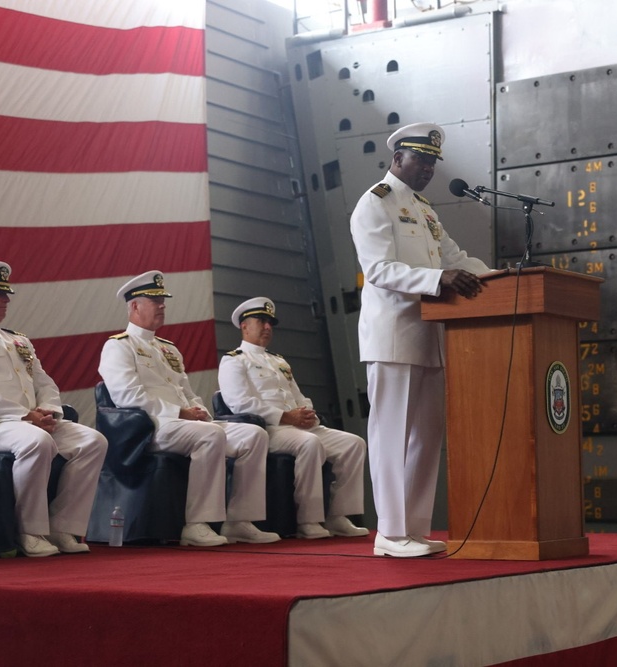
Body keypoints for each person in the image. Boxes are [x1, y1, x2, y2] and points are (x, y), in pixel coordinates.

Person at [349, 122, 491, 557]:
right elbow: (378, 271)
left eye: (432, 162)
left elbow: (457, 258)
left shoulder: (425, 210)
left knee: (426, 436)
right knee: (391, 433)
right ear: (398, 159)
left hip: (430, 334)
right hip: (393, 333)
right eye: (420, 160)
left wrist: (503, 279)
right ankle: (389, 533)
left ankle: (413, 527)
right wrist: (440, 278)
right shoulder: (375, 204)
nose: (427, 168)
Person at [0, 261, 107, 557]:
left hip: (34, 419)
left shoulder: (19, 340)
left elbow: (45, 382)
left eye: (6, 294)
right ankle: (30, 530)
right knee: (37, 442)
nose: (7, 300)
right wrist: (24, 415)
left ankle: (63, 527)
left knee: (93, 441)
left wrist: (49, 411)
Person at [98, 271, 280, 547]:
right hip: (149, 427)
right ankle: (197, 523)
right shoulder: (118, 346)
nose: (162, 306)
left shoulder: (168, 349)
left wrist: (199, 410)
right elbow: (127, 396)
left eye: (163, 301)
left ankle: (240, 520)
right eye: (154, 300)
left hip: (183, 423)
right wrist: (180, 413)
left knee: (255, 435)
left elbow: (187, 391)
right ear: (134, 306)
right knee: (210, 436)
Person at [219, 297, 369, 539]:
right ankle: (308, 520)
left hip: (298, 425)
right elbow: (240, 402)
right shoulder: (234, 360)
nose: (268, 327)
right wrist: (287, 417)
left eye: (270, 323)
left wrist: (308, 415)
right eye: (261, 321)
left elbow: (299, 396)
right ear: (244, 326)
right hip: (269, 429)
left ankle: (338, 516)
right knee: (310, 443)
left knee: (353, 444)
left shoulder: (279, 361)